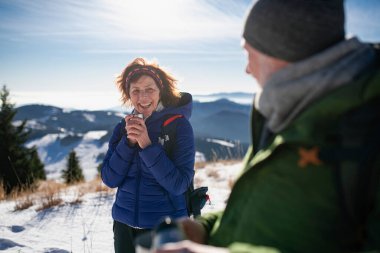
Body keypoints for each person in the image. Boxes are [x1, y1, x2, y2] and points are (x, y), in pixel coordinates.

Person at [156, 0, 380, 252]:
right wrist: (204, 229)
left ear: (280, 50)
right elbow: (259, 214)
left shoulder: (367, 129)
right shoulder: (283, 111)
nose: (247, 68)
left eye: (248, 52)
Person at [101, 57, 195, 253]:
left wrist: (146, 144)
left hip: (165, 228)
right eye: (135, 90)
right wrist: (128, 143)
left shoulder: (179, 126)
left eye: (149, 89)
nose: (143, 97)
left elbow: (179, 184)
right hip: (123, 225)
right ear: (129, 94)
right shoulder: (123, 128)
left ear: (161, 91)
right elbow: (110, 179)